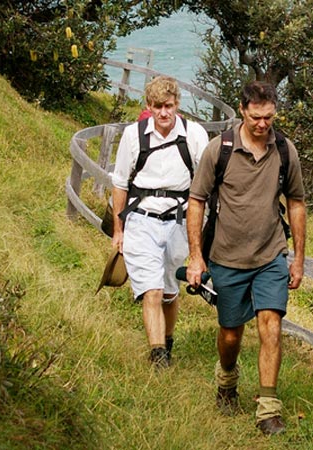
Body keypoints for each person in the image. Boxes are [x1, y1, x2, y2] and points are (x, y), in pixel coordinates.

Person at [185, 80, 306, 435]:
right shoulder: (218, 150)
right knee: (231, 335)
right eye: (256, 117)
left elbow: (296, 202)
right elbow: (197, 201)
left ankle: (268, 410)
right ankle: (227, 379)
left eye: (269, 117)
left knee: (271, 325)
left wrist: (298, 258)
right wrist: (196, 257)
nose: (263, 124)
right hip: (226, 258)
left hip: (270, 255)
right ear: (242, 110)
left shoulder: (285, 150)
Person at [111, 75, 209, 368]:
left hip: (180, 221)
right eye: (157, 107)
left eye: (168, 106)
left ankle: (167, 342)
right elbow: (119, 183)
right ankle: (158, 357)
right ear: (148, 106)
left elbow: (205, 186)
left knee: (168, 291)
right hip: (141, 219)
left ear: (177, 104)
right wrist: (119, 230)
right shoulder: (133, 135)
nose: (163, 113)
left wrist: (201, 240)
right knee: (150, 290)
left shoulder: (194, 135)